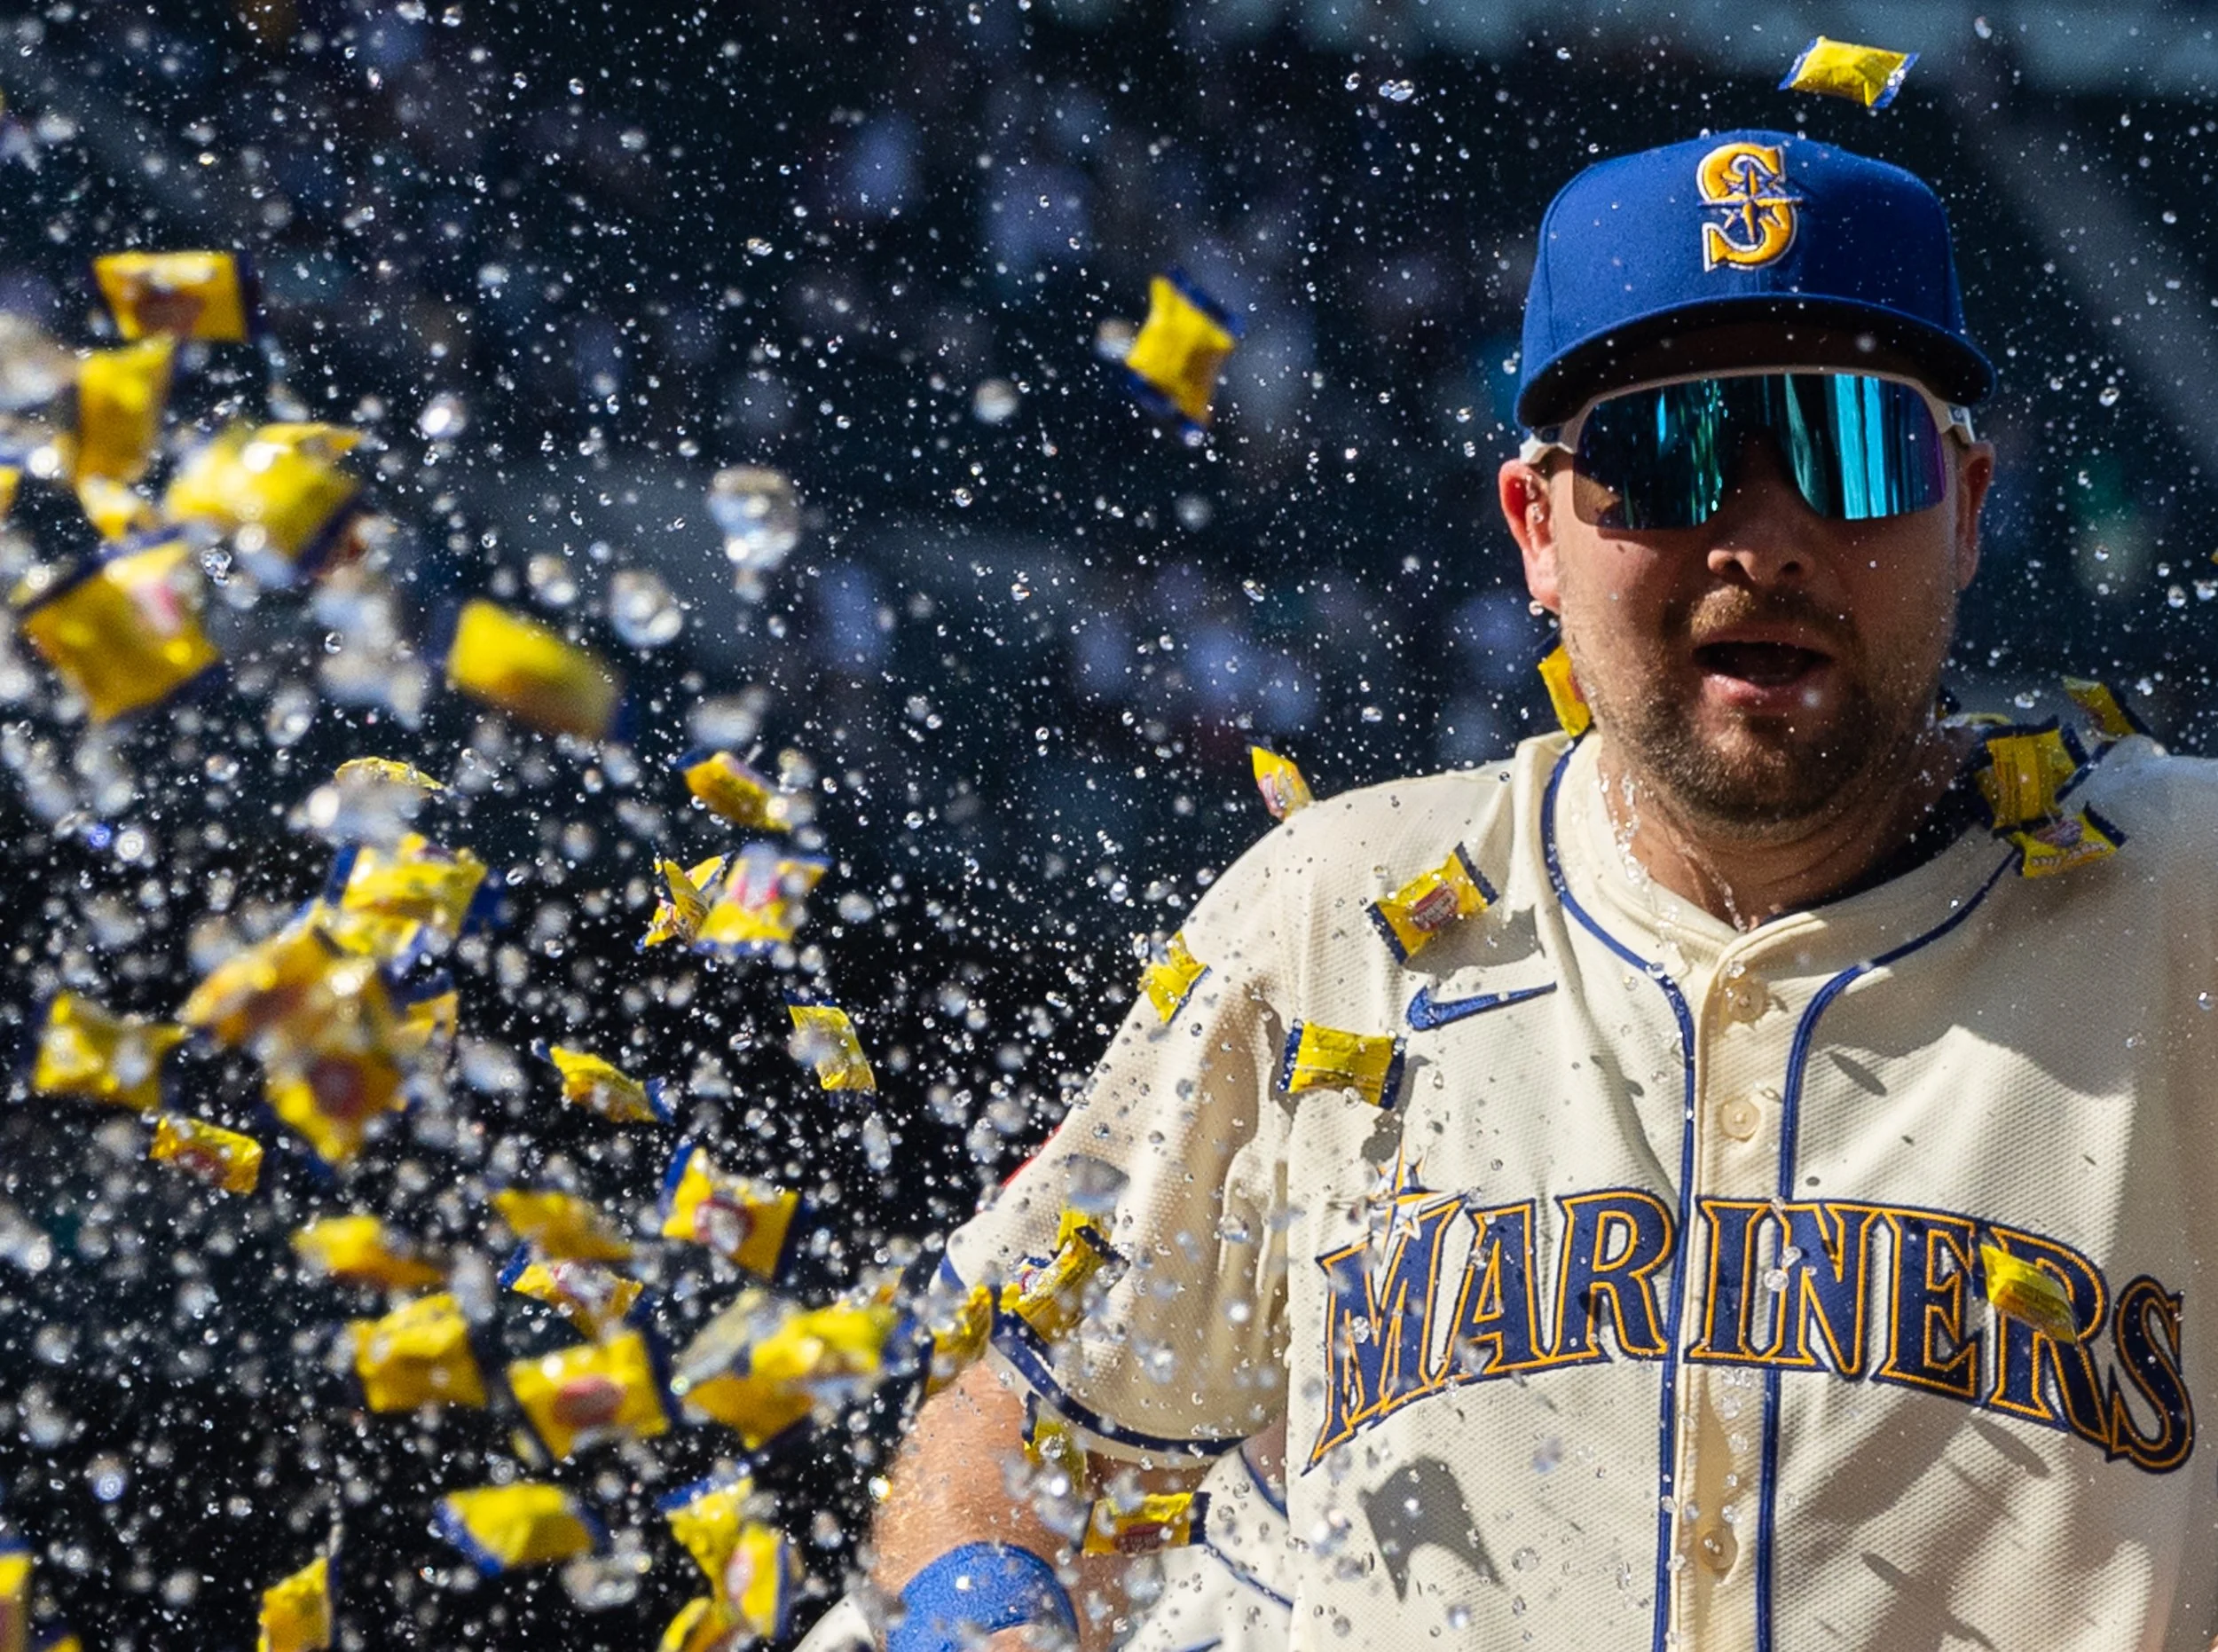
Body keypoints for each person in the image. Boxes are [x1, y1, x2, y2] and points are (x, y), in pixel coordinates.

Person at [842, 128, 2218, 1652]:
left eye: (1852, 448)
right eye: (1664, 457)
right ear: (1536, 529)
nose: (1765, 538)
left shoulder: (2189, 903)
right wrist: (984, 1614)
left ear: (1963, 508)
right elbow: (1025, 1437)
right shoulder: (1338, 914)